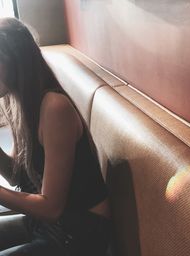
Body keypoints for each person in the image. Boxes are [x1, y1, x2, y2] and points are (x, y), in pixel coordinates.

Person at [0, 17, 112, 255]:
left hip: (79, 233)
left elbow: (51, 208)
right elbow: (16, 175)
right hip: (47, 226)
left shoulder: (54, 108)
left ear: (14, 61)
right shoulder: (16, 100)